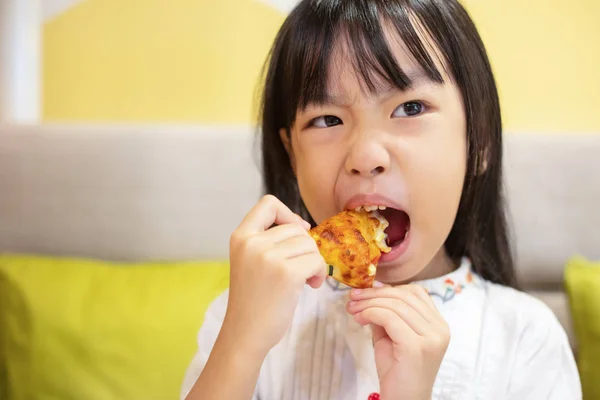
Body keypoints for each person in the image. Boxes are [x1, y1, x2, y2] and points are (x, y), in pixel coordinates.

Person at [181, 0, 582, 398]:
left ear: (478, 142)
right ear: (292, 156)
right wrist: (240, 345)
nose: (366, 156)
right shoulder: (245, 314)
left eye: (410, 108)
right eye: (327, 120)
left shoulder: (525, 339)